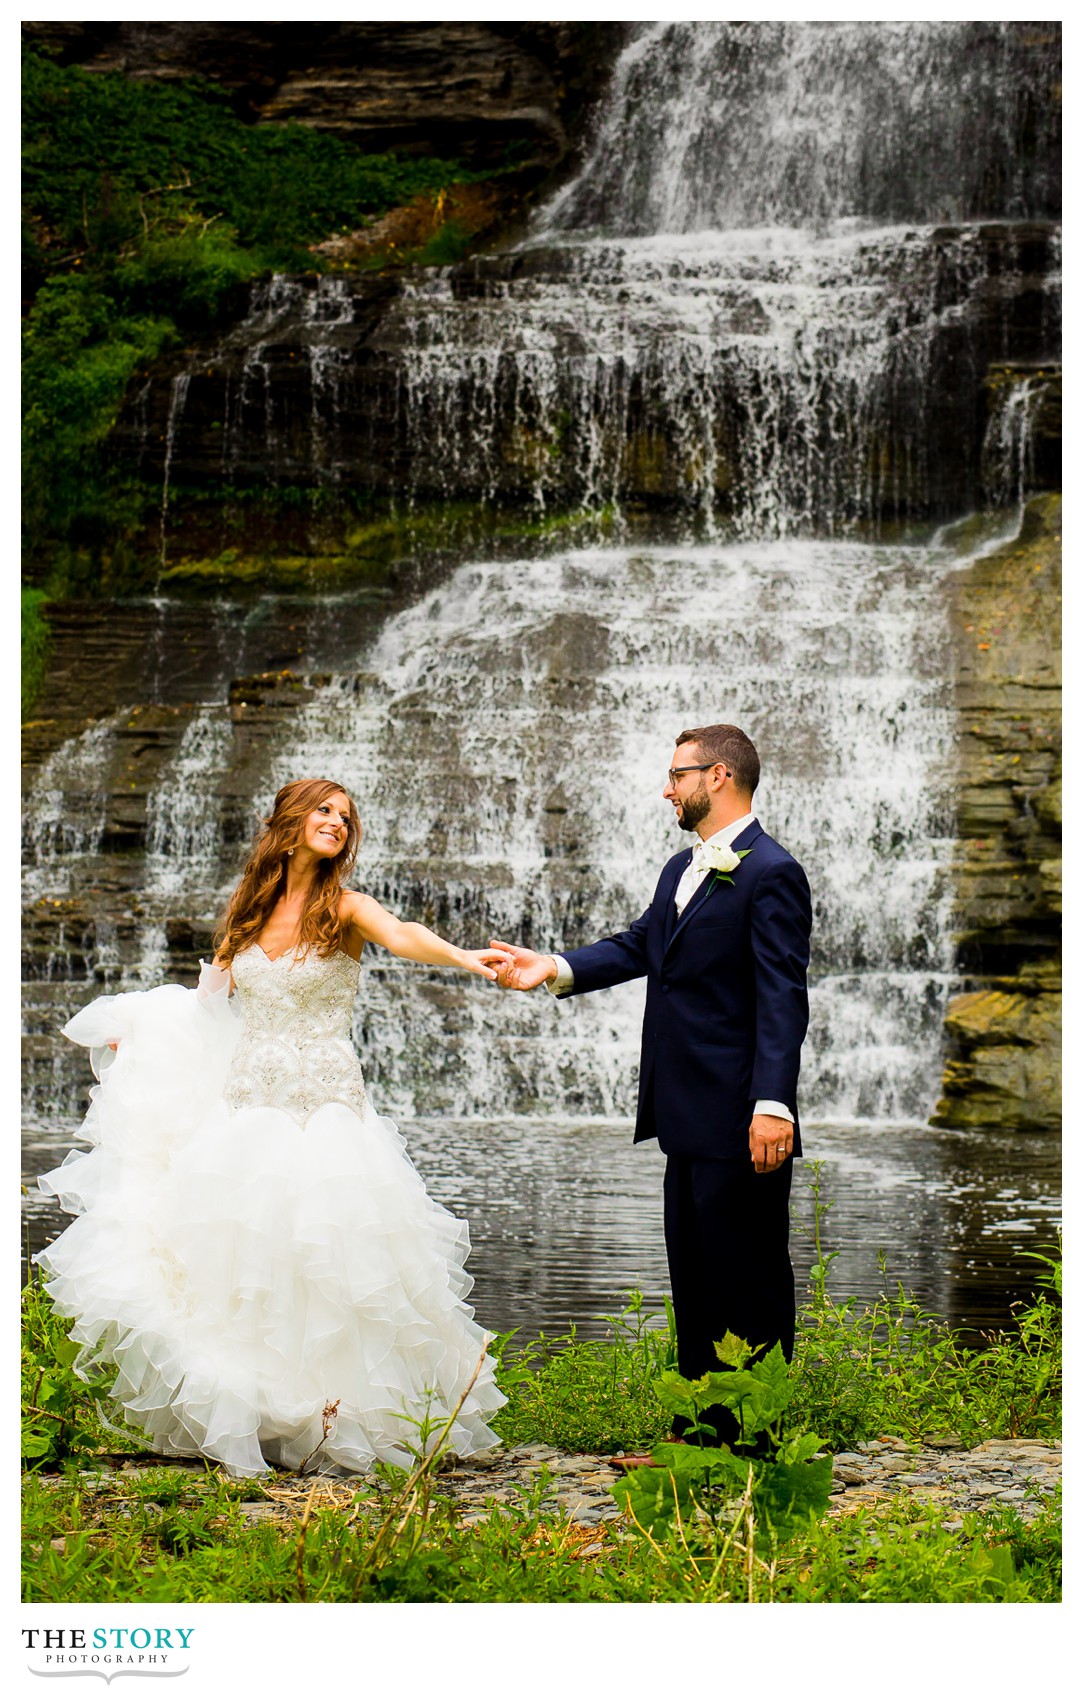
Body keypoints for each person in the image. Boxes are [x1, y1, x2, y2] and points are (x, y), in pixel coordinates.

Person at [36, 778, 510, 1478]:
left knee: (330, 1258)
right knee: (243, 1264)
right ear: (288, 823)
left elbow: (403, 937)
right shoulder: (249, 911)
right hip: (248, 1106)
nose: (336, 823)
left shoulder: (345, 906)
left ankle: (335, 1413)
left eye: (346, 816)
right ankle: (256, 1412)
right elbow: (208, 1006)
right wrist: (137, 1039)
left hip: (326, 1110)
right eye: (323, 810)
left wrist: (467, 958)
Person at [491, 724, 811, 1454]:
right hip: (684, 1114)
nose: (666, 789)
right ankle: (699, 1432)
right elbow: (642, 944)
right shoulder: (679, 868)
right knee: (697, 1279)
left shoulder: (770, 872)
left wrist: (772, 1104)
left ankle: (756, 1437)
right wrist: (554, 966)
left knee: (750, 1280)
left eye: (677, 775)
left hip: (740, 1114)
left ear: (720, 776)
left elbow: (781, 998)